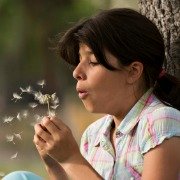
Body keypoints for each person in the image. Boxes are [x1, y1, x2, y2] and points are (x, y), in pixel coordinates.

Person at [3, 8, 180, 180]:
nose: (76, 72)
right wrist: (54, 162)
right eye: (79, 61)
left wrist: (71, 159)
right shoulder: (94, 135)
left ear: (133, 71)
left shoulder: (160, 122)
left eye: (93, 61)